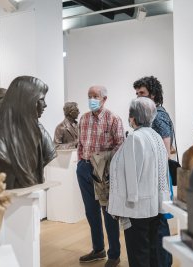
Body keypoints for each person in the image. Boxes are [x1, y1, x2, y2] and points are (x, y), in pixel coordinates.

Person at [108, 97, 170, 267]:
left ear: (133, 118)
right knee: (152, 252)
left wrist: (122, 207)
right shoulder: (156, 136)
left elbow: (131, 176)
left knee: (139, 255)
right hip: (154, 205)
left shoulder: (135, 138)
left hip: (137, 209)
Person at [77, 85, 124, 267]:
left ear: (104, 99)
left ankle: (114, 254)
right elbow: (81, 143)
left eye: (95, 96)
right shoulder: (84, 118)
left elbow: (120, 145)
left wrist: (109, 168)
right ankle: (98, 249)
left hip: (104, 170)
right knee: (91, 212)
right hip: (84, 168)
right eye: (89, 96)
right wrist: (81, 162)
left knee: (109, 213)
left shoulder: (113, 119)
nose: (91, 99)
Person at [0, 76, 56, 189]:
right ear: (28, 100)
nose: (45, 105)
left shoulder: (36, 130)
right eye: (41, 100)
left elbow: (49, 153)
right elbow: (0, 159)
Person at [133, 76, 173, 267]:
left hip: (157, 179)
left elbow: (165, 152)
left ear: (153, 95)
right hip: (154, 178)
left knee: (158, 224)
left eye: (142, 93)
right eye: (137, 94)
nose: (138, 97)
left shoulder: (159, 115)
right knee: (155, 224)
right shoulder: (152, 114)